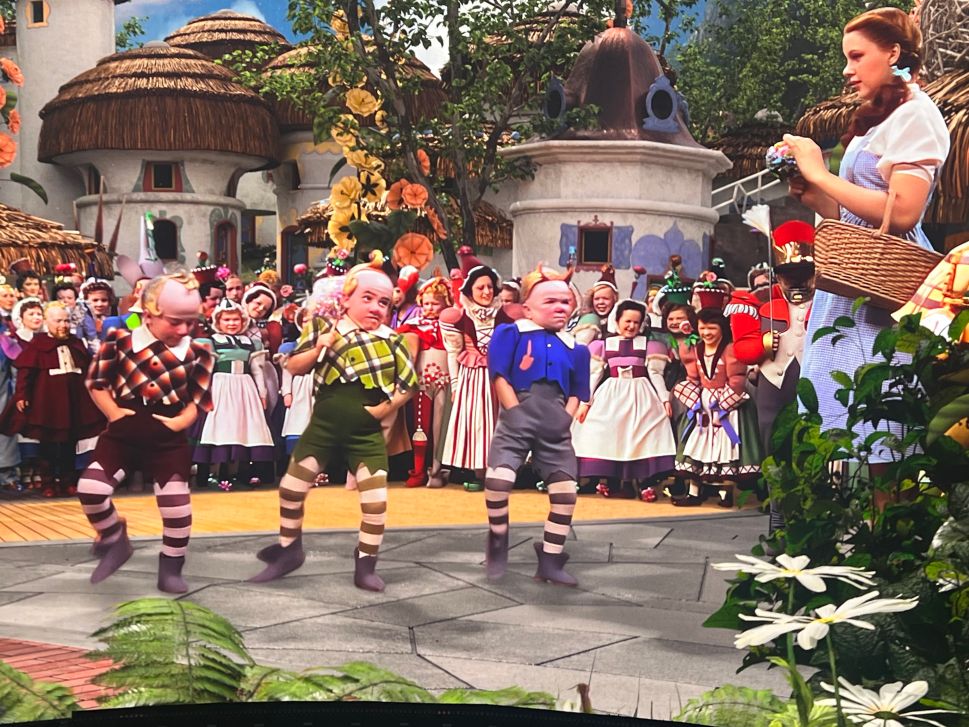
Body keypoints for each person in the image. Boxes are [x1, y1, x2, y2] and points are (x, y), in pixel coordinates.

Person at [783, 7, 949, 473]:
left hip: (882, 285)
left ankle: (883, 537)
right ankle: (848, 535)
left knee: (881, 426)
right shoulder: (882, 118)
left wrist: (821, 171)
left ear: (893, 53)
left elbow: (903, 212)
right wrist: (819, 195)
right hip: (850, 280)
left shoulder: (917, 114)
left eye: (857, 57)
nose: (847, 69)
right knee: (842, 432)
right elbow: (859, 210)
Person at [249, 253, 417, 591]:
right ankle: (289, 549)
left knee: (375, 501)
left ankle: (366, 563)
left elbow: (408, 384)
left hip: (366, 432)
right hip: (323, 427)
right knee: (291, 488)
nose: (375, 307)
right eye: (367, 298)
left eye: (383, 302)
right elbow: (294, 367)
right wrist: (317, 348)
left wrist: (385, 409)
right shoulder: (325, 328)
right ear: (347, 298)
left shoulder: (393, 340)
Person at [76, 273, 215, 593]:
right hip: (123, 431)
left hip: (167, 438)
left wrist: (180, 423)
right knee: (91, 488)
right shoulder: (119, 342)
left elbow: (198, 403)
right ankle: (113, 536)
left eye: (190, 323)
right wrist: (113, 413)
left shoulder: (198, 353)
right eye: (175, 321)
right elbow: (97, 385)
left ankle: (171, 565)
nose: (183, 330)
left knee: (176, 504)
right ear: (149, 313)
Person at [483, 264, 590, 585]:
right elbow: (499, 374)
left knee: (565, 493)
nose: (560, 307)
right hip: (518, 417)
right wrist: (513, 412)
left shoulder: (577, 348)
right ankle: (498, 538)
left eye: (565, 301)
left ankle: (551, 559)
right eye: (550, 301)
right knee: (499, 482)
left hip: (555, 425)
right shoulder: (511, 333)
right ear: (527, 307)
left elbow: (579, 392)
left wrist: (565, 419)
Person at [0, 302, 105, 497]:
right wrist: (22, 395)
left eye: (66, 320)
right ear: (47, 322)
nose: (63, 325)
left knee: (69, 444)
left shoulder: (76, 343)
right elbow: (25, 373)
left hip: (73, 402)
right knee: (47, 445)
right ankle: (48, 482)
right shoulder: (37, 346)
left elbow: (88, 370)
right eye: (58, 321)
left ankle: (68, 480)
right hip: (47, 404)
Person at [573, 300, 675, 498]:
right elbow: (594, 375)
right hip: (612, 394)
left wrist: (664, 399)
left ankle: (644, 482)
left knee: (642, 434)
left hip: (641, 394)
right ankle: (611, 480)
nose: (631, 326)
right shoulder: (603, 345)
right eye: (627, 321)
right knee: (608, 433)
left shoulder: (649, 345)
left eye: (636, 322)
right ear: (617, 321)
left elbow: (655, 374)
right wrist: (586, 402)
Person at [439, 250, 517, 491]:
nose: (486, 292)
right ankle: (476, 470)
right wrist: (454, 383)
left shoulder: (505, 316)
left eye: (490, 287)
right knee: (475, 423)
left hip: (498, 376)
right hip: (472, 377)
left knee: (499, 422)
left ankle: (498, 471)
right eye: (480, 288)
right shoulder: (459, 317)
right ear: (469, 291)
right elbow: (453, 352)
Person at [671, 308, 762, 507]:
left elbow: (736, 380)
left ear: (722, 329)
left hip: (727, 406)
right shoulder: (696, 349)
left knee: (725, 447)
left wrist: (723, 407)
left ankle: (725, 494)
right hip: (702, 405)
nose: (706, 333)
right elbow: (693, 377)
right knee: (698, 446)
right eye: (702, 328)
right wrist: (691, 396)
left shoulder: (730, 350)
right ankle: (694, 492)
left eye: (711, 328)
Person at [193, 299, 274, 489]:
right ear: (218, 321)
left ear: (242, 320)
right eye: (227, 320)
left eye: (235, 320)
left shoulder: (251, 344)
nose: (231, 324)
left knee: (244, 428)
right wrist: (203, 394)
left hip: (244, 388)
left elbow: (257, 370)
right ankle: (213, 473)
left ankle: (239, 471)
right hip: (221, 387)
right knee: (220, 427)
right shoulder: (212, 342)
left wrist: (262, 394)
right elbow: (205, 371)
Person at [397, 274, 453, 488]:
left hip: (444, 382)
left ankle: (437, 470)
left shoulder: (450, 326)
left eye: (435, 303)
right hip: (421, 383)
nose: (429, 307)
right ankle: (418, 470)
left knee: (441, 427)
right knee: (420, 426)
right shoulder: (412, 326)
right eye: (426, 303)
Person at [573, 265, 619, 346]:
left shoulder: (619, 321)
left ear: (614, 300)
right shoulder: (588, 318)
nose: (601, 302)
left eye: (606, 298)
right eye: (597, 299)